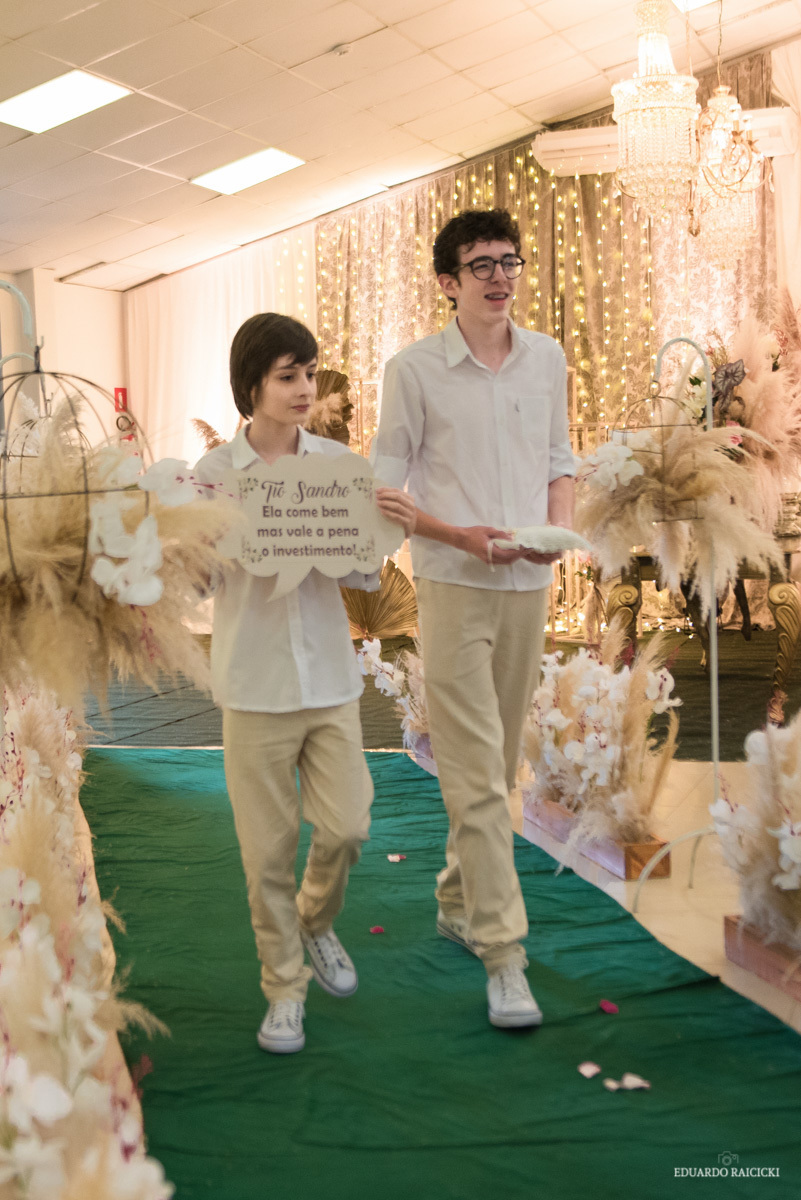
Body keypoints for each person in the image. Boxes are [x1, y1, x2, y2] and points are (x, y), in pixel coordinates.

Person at [371, 208, 576, 1030]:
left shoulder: (546, 359)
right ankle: (503, 952)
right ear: (447, 283)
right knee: (473, 771)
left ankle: (457, 901)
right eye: (481, 265)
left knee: (494, 767)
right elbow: (387, 490)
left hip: (528, 585)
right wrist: (460, 536)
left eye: (508, 261)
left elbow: (560, 461)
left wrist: (555, 534)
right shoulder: (412, 370)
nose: (499, 277)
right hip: (453, 583)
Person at [194, 313, 415, 1055]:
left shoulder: (339, 467)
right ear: (250, 385)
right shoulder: (213, 477)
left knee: (348, 826)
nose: (303, 388)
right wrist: (185, 549)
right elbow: (197, 582)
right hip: (252, 687)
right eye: (287, 375)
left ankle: (314, 920)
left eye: (309, 373)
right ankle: (284, 991)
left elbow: (359, 571)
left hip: (328, 681)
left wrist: (381, 531)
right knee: (266, 856)